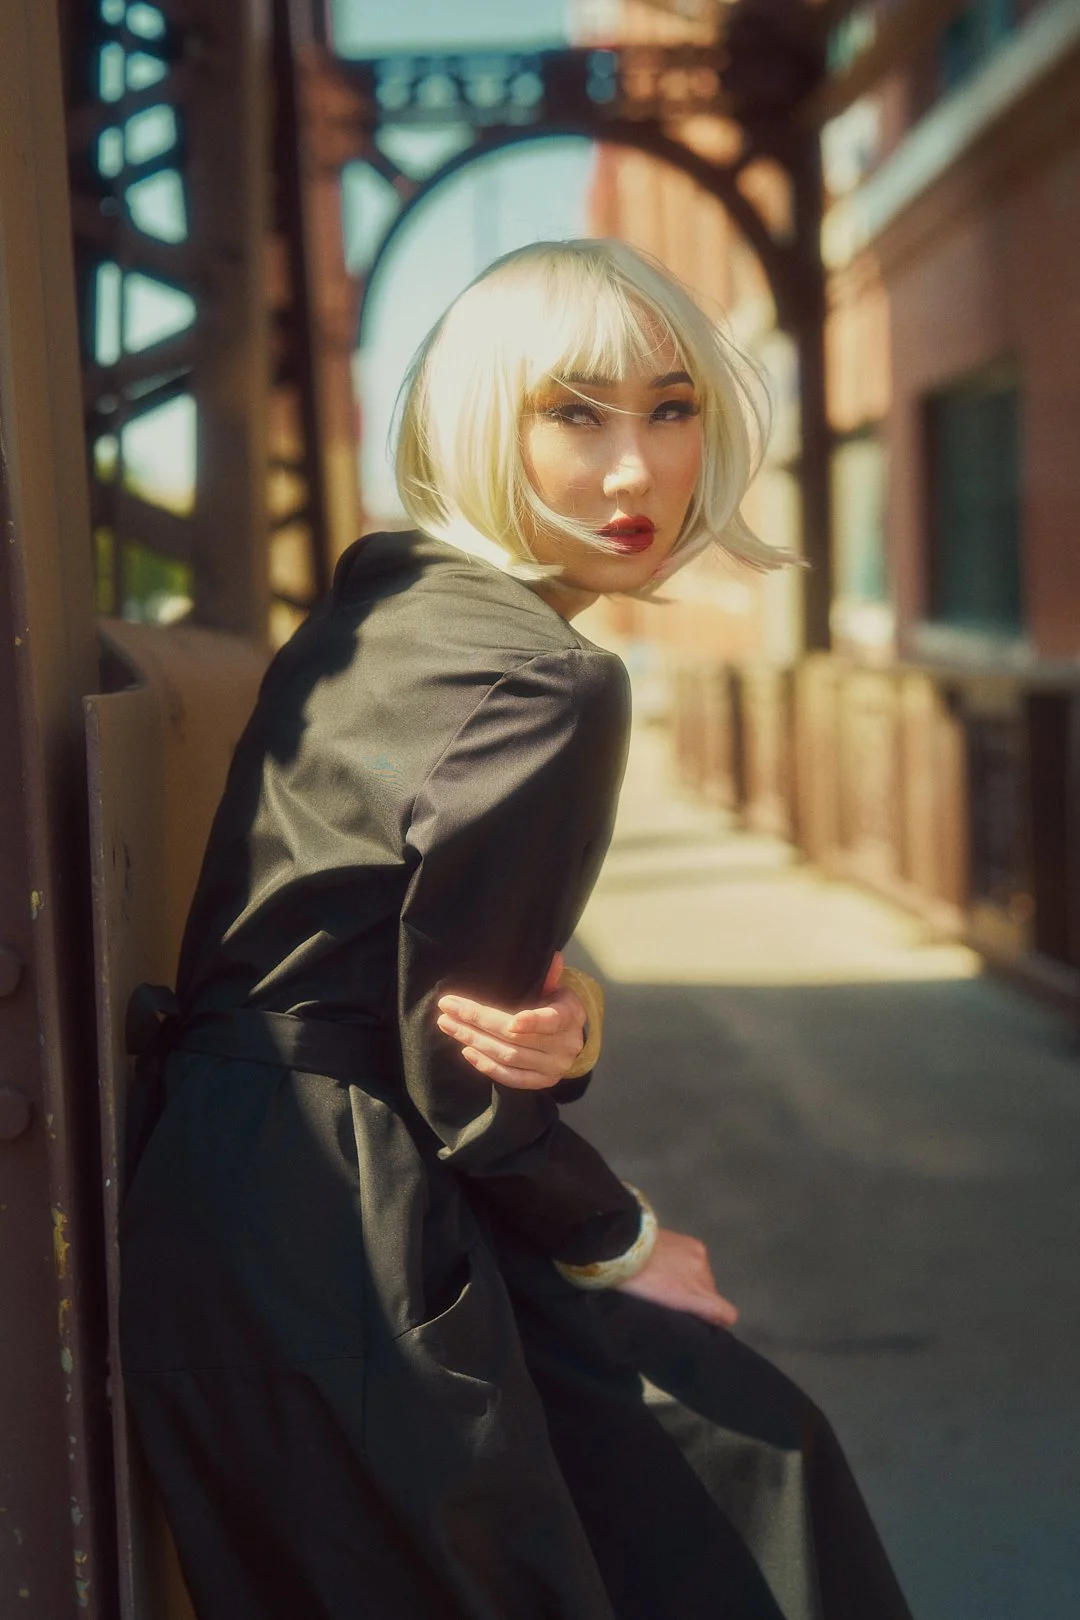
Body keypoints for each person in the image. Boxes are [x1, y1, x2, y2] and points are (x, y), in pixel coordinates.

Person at [121, 239, 913, 1620]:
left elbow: (419, 961)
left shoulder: (386, 606)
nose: (636, 473)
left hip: (233, 1193)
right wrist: (620, 1237)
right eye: (574, 414)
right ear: (484, 422)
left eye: (672, 409)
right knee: (752, 1496)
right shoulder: (552, 675)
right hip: (353, 1224)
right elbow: (463, 1074)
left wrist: (568, 1019)